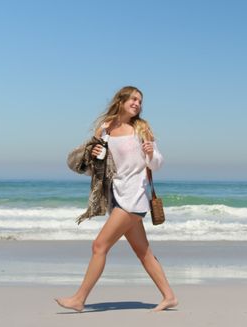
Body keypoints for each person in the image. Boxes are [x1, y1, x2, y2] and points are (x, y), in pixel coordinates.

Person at [56, 86, 178, 312]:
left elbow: (157, 164)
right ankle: (169, 296)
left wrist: (151, 153)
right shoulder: (105, 128)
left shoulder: (141, 129)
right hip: (117, 195)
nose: (137, 103)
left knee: (99, 245)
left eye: (140, 100)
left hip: (135, 197)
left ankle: (79, 299)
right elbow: (96, 164)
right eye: (133, 98)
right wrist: (94, 154)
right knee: (143, 252)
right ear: (121, 100)